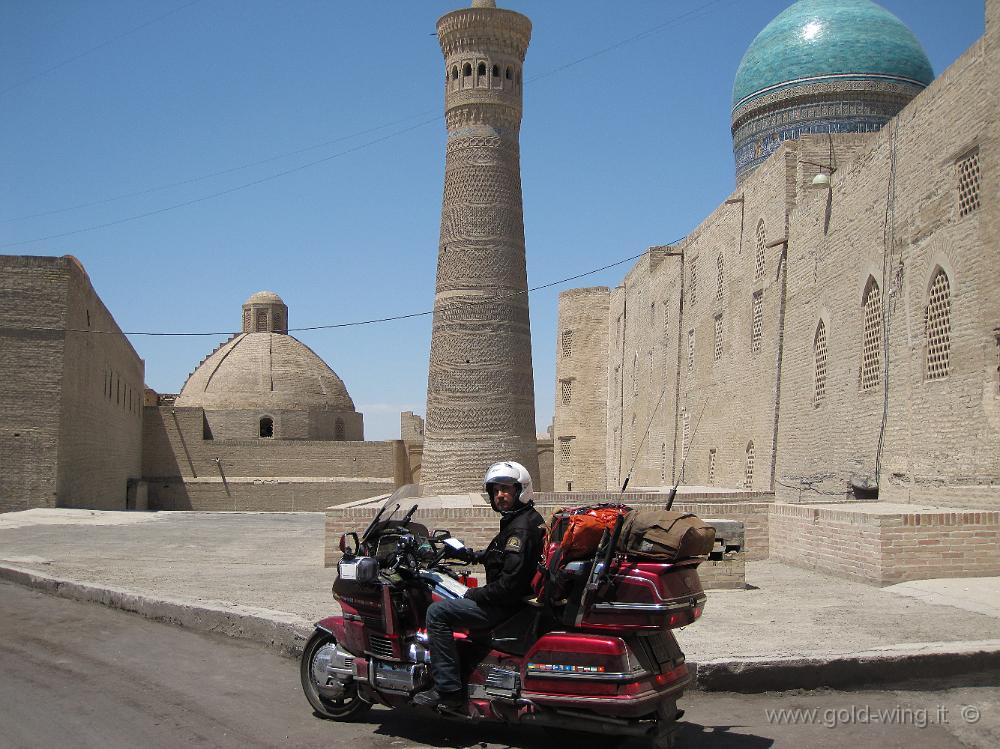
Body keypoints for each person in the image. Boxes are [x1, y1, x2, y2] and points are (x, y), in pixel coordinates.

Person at [413, 460, 545, 710]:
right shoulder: (523, 518)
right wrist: (471, 555)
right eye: (495, 491)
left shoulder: (520, 530)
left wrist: (472, 593)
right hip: (513, 602)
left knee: (437, 612)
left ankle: (448, 690)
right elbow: (502, 555)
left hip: (504, 606)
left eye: (506, 489)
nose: (500, 496)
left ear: (521, 490)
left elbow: (508, 586)